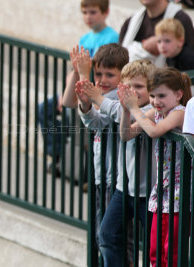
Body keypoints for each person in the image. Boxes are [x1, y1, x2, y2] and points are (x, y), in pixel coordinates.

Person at [77, 59, 156, 266]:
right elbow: (124, 132)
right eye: (128, 86)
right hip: (124, 189)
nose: (132, 92)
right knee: (107, 235)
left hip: (150, 194)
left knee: (154, 247)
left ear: (151, 89)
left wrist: (98, 99)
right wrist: (87, 102)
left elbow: (129, 117)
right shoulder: (125, 108)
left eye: (139, 87)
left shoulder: (154, 108)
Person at [118, 67, 192, 266]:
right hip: (162, 190)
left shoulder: (179, 112)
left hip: (181, 192)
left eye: (161, 95)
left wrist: (135, 109)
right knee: (154, 249)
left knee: (172, 251)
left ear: (178, 94)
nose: (155, 101)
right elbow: (126, 134)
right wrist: (126, 110)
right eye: (152, 95)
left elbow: (154, 131)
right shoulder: (156, 112)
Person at [38, 0, 118, 174]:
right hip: (78, 87)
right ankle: (58, 155)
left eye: (93, 12)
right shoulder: (85, 38)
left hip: (96, 91)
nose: (88, 17)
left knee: (79, 119)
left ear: (105, 12)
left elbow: (97, 70)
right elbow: (74, 68)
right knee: (45, 108)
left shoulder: (112, 37)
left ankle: (85, 169)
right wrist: (65, 92)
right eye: (85, 12)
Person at [74, 43, 129, 246]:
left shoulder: (117, 96)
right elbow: (91, 119)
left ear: (122, 76)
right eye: (98, 74)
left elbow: (97, 120)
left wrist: (83, 76)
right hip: (102, 175)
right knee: (104, 236)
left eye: (110, 75)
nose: (103, 80)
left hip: (113, 178)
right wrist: (86, 102)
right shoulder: (102, 94)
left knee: (110, 237)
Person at [119, 0, 194, 67]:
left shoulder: (181, 19)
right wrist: (143, 47)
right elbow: (119, 60)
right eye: (159, 41)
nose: (162, 45)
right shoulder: (132, 21)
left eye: (167, 40)